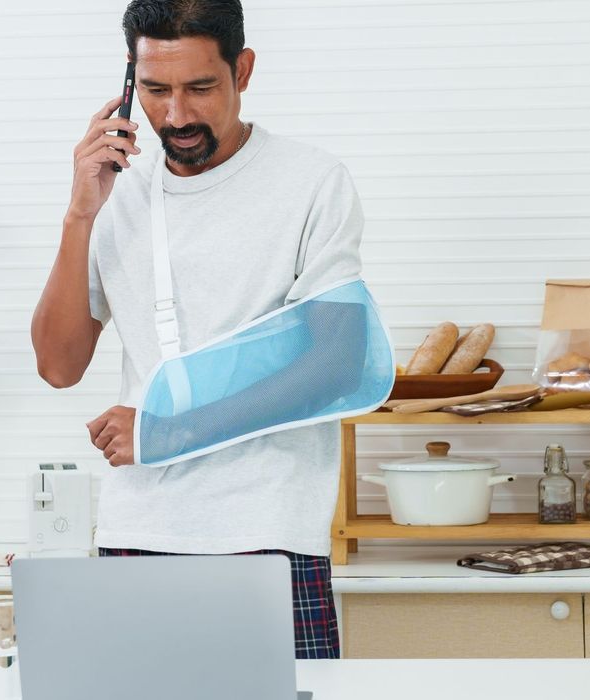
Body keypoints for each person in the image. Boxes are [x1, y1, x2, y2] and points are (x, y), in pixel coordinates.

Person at [29, 0, 365, 659]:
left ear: (243, 69)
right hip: (138, 533)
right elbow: (58, 365)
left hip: (269, 534)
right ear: (131, 79)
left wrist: (169, 426)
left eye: (200, 88)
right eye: (155, 90)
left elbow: (338, 365)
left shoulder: (312, 183)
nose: (177, 115)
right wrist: (79, 215)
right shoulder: (116, 193)